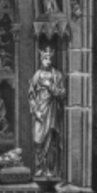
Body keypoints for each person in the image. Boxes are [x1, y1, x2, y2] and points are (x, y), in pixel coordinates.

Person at [28, 48, 65, 176]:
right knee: (38, 140)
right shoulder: (37, 75)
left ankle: (50, 169)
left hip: (51, 111)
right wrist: (35, 111)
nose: (48, 61)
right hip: (40, 112)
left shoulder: (57, 75)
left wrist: (50, 85)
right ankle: (39, 167)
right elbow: (31, 96)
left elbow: (61, 94)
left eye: (49, 58)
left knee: (51, 141)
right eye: (45, 58)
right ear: (41, 59)